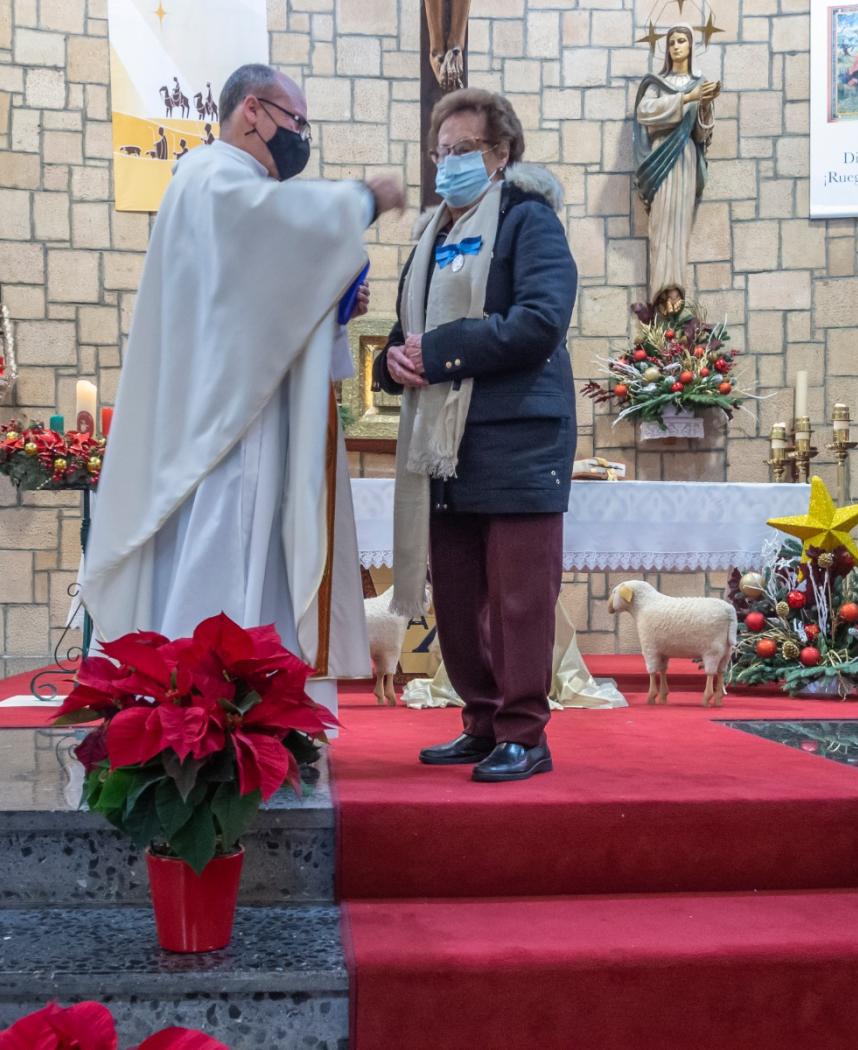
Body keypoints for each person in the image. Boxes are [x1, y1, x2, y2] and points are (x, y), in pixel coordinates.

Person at [81, 64, 404, 714]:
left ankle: (246, 717)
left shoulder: (218, 182)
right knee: (227, 557)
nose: (300, 137)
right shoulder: (216, 176)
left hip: (236, 412)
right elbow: (270, 229)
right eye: (296, 122)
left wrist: (332, 302)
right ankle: (212, 720)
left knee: (248, 558)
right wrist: (361, 198)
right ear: (252, 111)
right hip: (231, 429)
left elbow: (251, 302)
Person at [374, 88, 578, 782]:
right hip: (444, 445)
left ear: (501, 154)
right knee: (458, 598)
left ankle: (525, 732)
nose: (449, 163)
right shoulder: (430, 235)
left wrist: (440, 351)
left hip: (519, 439)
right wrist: (393, 360)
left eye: (464, 150)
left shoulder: (529, 221)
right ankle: (483, 721)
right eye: (441, 152)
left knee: (519, 600)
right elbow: (408, 334)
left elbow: (541, 321)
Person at [632, 24, 720, 310]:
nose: (676, 46)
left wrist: (704, 105)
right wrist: (687, 99)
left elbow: (701, 135)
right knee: (660, 224)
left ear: (691, 46)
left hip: (684, 158)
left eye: (682, 41)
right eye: (672, 42)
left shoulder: (699, 82)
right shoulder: (658, 84)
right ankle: (660, 292)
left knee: (679, 226)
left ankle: (676, 292)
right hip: (661, 158)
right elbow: (645, 113)